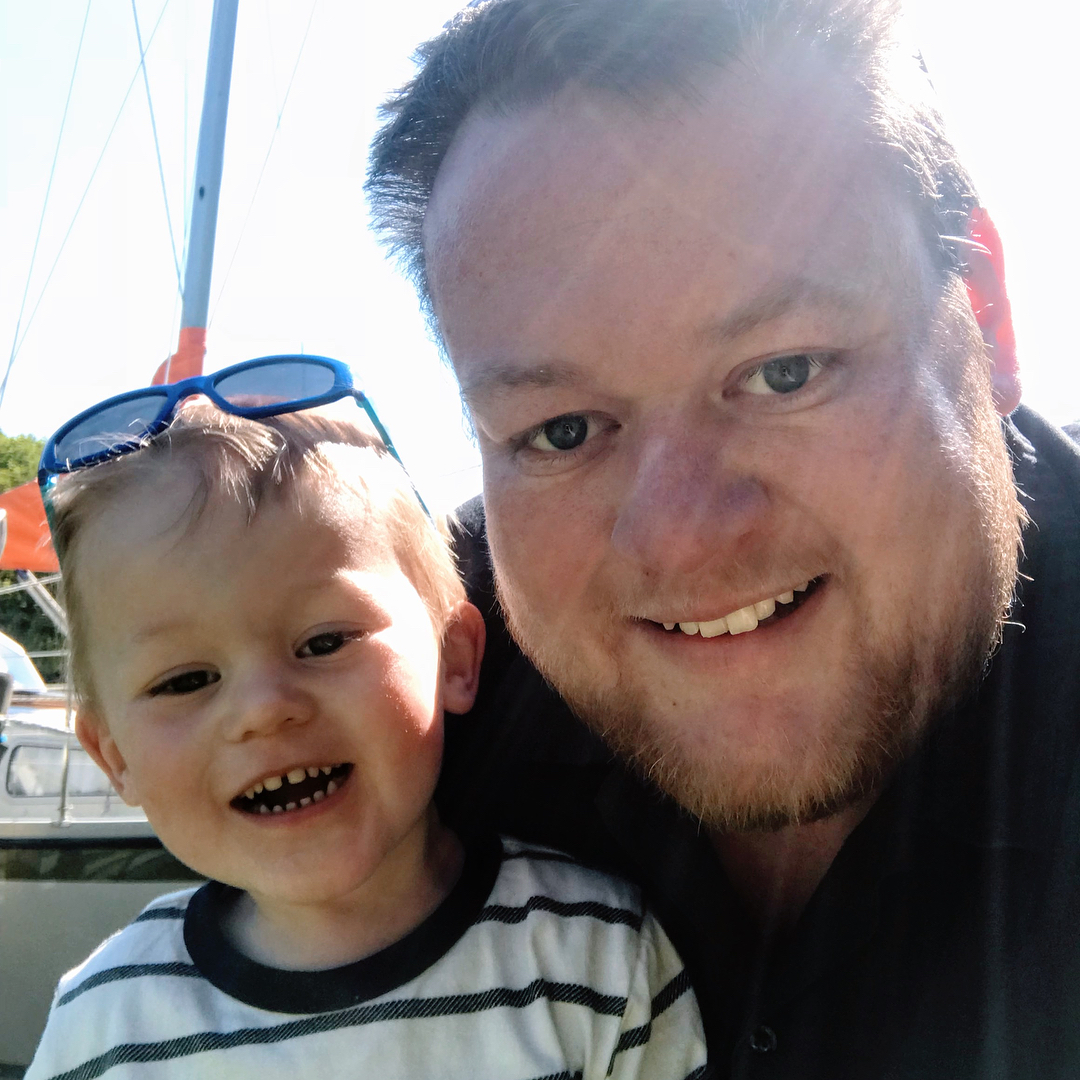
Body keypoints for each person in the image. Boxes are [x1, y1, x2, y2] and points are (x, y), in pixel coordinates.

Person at [366, 0, 1080, 1076]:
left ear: (983, 310)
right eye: (562, 432)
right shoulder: (403, 682)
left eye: (786, 372)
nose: (682, 539)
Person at [26, 372, 706, 1079]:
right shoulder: (102, 1024)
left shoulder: (598, 960)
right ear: (113, 756)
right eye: (185, 681)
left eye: (325, 642)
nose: (263, 709)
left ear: (454, 657)